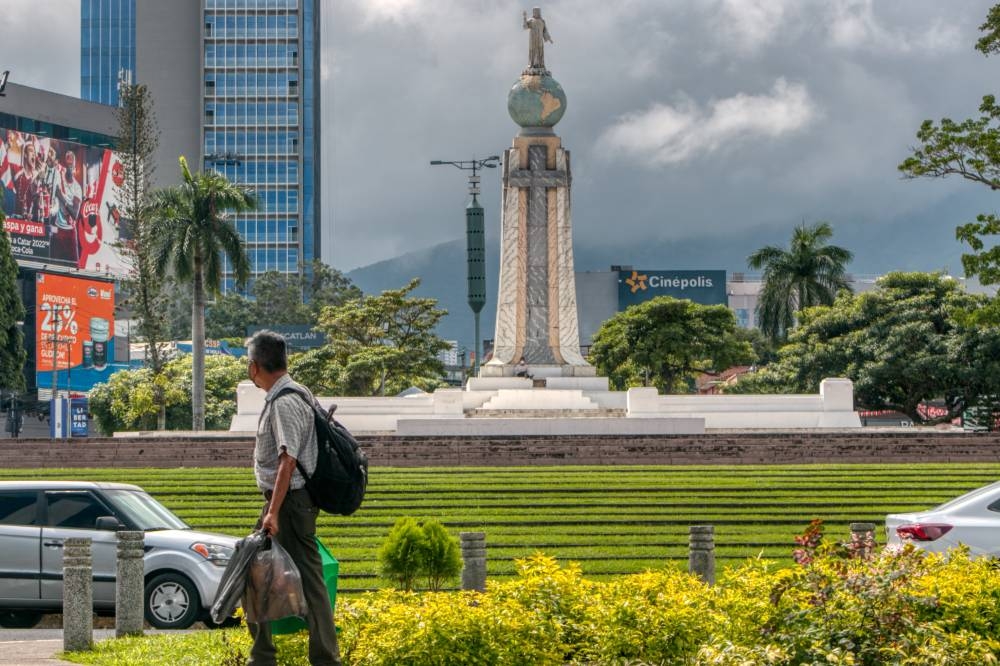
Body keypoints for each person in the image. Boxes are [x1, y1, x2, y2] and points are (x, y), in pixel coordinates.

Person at [247, 330, 341, 666]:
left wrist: (272, 512)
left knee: (309, 582)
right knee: (257, 572)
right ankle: (262, 655)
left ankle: (324, 658)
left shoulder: (286, 401)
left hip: (288, 503)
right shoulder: (291, 394)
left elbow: (288, 459)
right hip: (282, 501)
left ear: (254, 366)